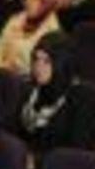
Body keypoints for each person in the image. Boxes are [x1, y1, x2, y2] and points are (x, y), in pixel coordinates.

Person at [17, 31, 76, 159]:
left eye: (47, 61)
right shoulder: (29, 89)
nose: (38, 67)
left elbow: (65, 154)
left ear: (61, 64)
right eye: (36, 59)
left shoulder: (74, 103)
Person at [0, 0, 61, 74]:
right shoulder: (16, 20)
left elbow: (35, 64)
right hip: (2, 73)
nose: (28, 2)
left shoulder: (52, 29)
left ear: (45, 2)